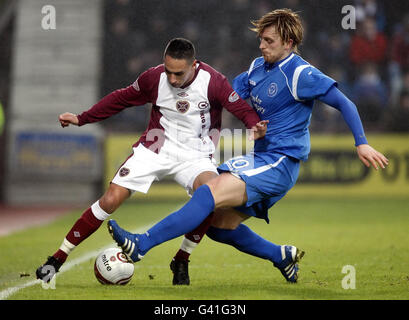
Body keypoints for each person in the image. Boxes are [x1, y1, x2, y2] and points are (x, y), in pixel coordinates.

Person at [108, 9, 389, 284]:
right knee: (219, 225)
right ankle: (280, 256)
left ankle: (142, 244)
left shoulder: (300, 73)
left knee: (208, 194)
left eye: (269, 41)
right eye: (261, 39)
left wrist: (361, 143)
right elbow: (226, 96)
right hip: (262, 159)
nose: (261, 45)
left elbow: (345, 103)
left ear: (289, 43)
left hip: (281, 161)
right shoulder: (257, 67)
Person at [36, 38, 267, 282]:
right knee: (110, 199)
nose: (172, 79)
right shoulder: (153, 78)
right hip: (156, 147)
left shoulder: (213, 81)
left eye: (179, 73)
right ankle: (57, 258)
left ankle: (181, 259)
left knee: (210, 195)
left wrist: (254, 125)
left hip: (197, 154)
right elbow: (120, 99)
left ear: (194, 65)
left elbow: (241, 108)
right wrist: (82, 118)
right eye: (168, 71)